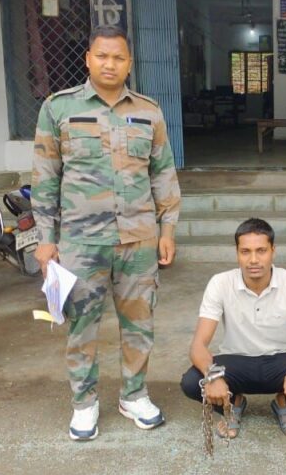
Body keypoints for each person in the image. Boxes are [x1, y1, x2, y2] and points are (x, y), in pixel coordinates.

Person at [32, 25, 181, 441]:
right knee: (82, 326)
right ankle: (84, 403)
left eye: (118, 57)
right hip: (81, 243)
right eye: (102, 56)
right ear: (88, 59)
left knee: (139, 324)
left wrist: (168, 228)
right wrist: (46, 239)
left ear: (129, 63)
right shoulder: (59, 108)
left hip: (138, 240)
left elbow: (162, 172)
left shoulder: (149, 111)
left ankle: (134, 395)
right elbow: (45, 176)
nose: (109, 64)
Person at [180, 219, 286, 439]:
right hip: (236, 362)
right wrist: (213, 376)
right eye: (245, 251)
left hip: (281, 362)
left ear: (273, 250)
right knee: (191, 382)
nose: (253, 259)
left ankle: (285, 404)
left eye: (261, 251)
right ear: (237, 253)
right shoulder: (220, 282)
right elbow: (198, 345)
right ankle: (232, 403)